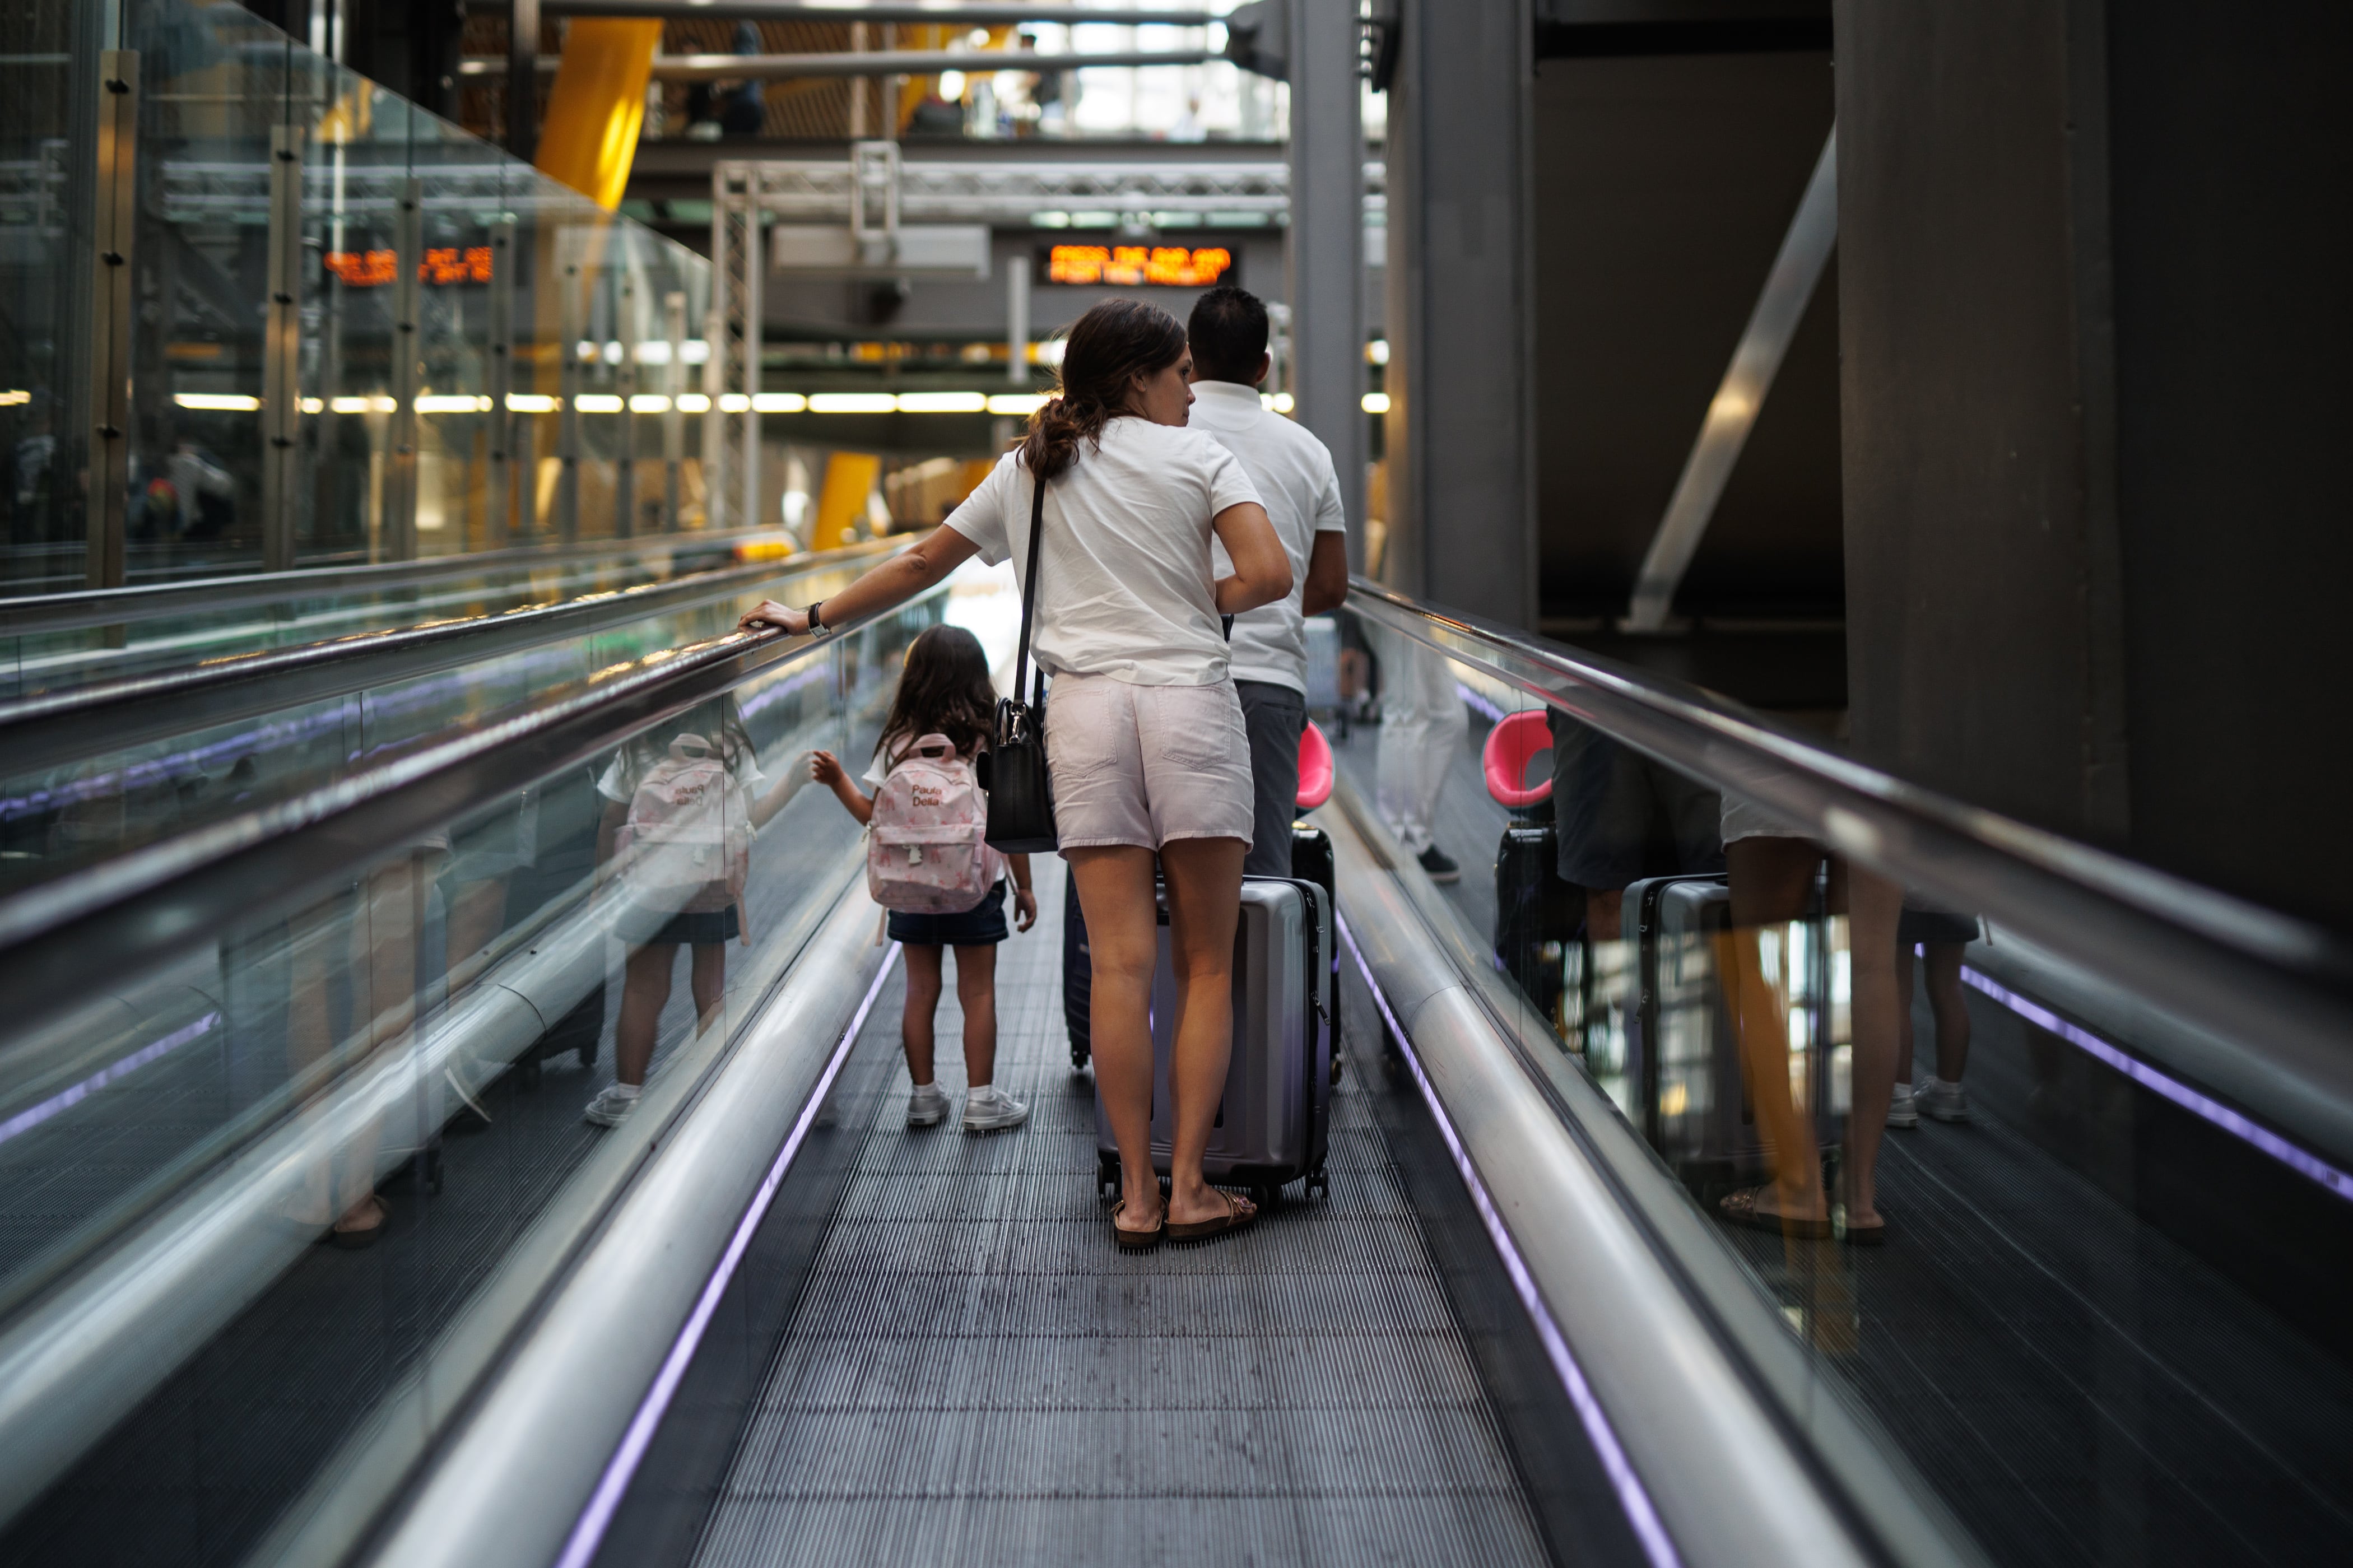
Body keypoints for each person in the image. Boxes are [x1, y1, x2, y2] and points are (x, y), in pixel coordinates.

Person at [738, 298, 1291, 1249]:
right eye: (1182, 374)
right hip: (1190, 705)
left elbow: (920, 562)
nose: (1193, 390)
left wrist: (813, 616)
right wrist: (1194, 596)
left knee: (1117, 962)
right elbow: (1271, 573)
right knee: (1206, 961)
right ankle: (1193, 1182)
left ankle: (1136, 1200)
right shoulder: (1202, 458)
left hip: (1084, 719)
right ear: (1137, 380)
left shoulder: (1028, 469)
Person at [808, 624, 1039, 1133]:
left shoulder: (898, 743)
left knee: (920, 989)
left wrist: (837, 780)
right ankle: (981, 1100)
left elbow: (873, 816)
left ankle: (923, 1096)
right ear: (977, 678)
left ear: (914, 678)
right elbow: (1005, 823)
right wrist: (1023, 886)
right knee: (977, 993)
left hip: (910, 889)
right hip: (974, 889)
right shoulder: (986, 739)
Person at [1182, 283, 1351, 877]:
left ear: (1187, 356)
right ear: (1263, 366)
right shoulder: (1309, 451)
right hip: (1270, 683)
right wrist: (1263, 600)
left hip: (1168, 681)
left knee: (1165, 878)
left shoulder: (1160, 437)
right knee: (1261, 875)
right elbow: (1331, 586)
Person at [581, 695, 802, 1129]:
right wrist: (793, 781)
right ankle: (714, 1089)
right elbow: (751, 816)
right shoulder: (730, 747)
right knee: (710, 986)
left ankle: (627, 1094)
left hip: (647, 887)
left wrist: (601, 886)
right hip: (711, 883)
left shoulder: (638, 747)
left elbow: (611, 820)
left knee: (644, 987)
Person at [1710, 796, 1903, 1244]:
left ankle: (1799, 1186)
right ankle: (1859, 1196)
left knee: (1765, 967)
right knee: (1872, 966)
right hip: (1876, 761)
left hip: (1777, 746)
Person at [1375, 633, 1468, 881]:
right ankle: (1402, 839)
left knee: (1450, 717)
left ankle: (1414, 832)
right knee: (1407, 712)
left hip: (1425, 603)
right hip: (1401, 599)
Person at [1894, 904, 1977, 1124]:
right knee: (1949, 983)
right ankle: (1949, 1093)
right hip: (1959, 885)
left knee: (1896, 988)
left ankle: (1897, 1096)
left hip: (1902, 885)